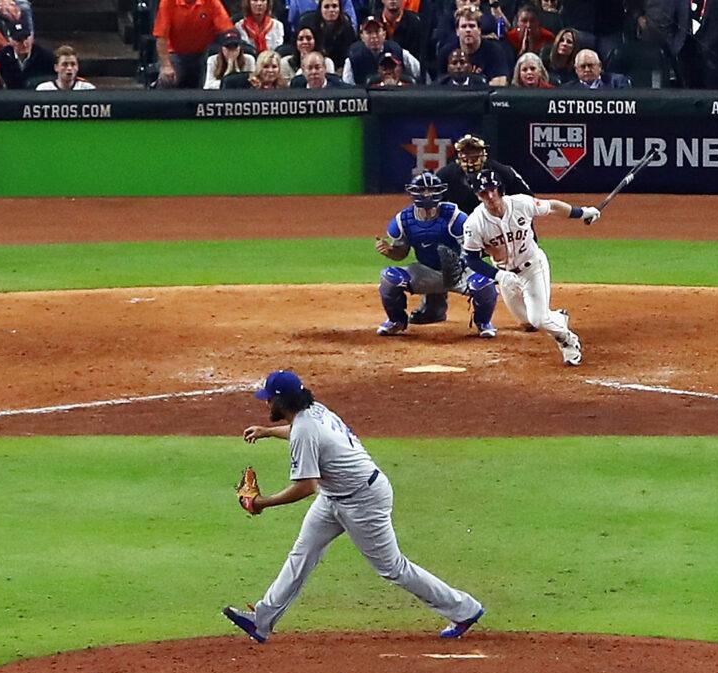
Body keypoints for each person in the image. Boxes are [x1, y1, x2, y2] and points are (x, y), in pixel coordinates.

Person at [222, 370, 485, 645]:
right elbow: (302, 434)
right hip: (335, 496)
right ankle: (262, 621)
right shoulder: (313, 411)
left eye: (269, 399)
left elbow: (306, 486)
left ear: (282, 401)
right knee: (302, 553)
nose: (266, 403)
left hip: (364, 501)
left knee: (393, 568)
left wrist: (262, 503)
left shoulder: (304, 430)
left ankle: (464, 610)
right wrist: (267, 432)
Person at [459, 168, 596, 365]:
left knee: (538, 319)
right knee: (526, 322)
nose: (490, 196)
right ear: (477, 195)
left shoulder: (521, 203)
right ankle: (558, 317)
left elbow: (552, 206)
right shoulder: (474, 223)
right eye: (483, 192)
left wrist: (581, 213)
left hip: (532, 268)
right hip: (506, 275)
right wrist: (499, 275)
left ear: (499, 189)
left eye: (492, 190)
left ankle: (568, 341)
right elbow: (471, 258)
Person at [374, 171, 500, 336]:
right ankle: (396, 321)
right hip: (427, 271)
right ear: (413, 192)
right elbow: (401, 254)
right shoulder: (403, 220)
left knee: (484, 282)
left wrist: (463, 262)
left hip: (459, 270)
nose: (427, 194)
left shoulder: (454, 216)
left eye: (432, 190)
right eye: (422, 190)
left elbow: (469, 247)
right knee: (389, 278)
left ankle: (483, 323)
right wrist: (390, 251)